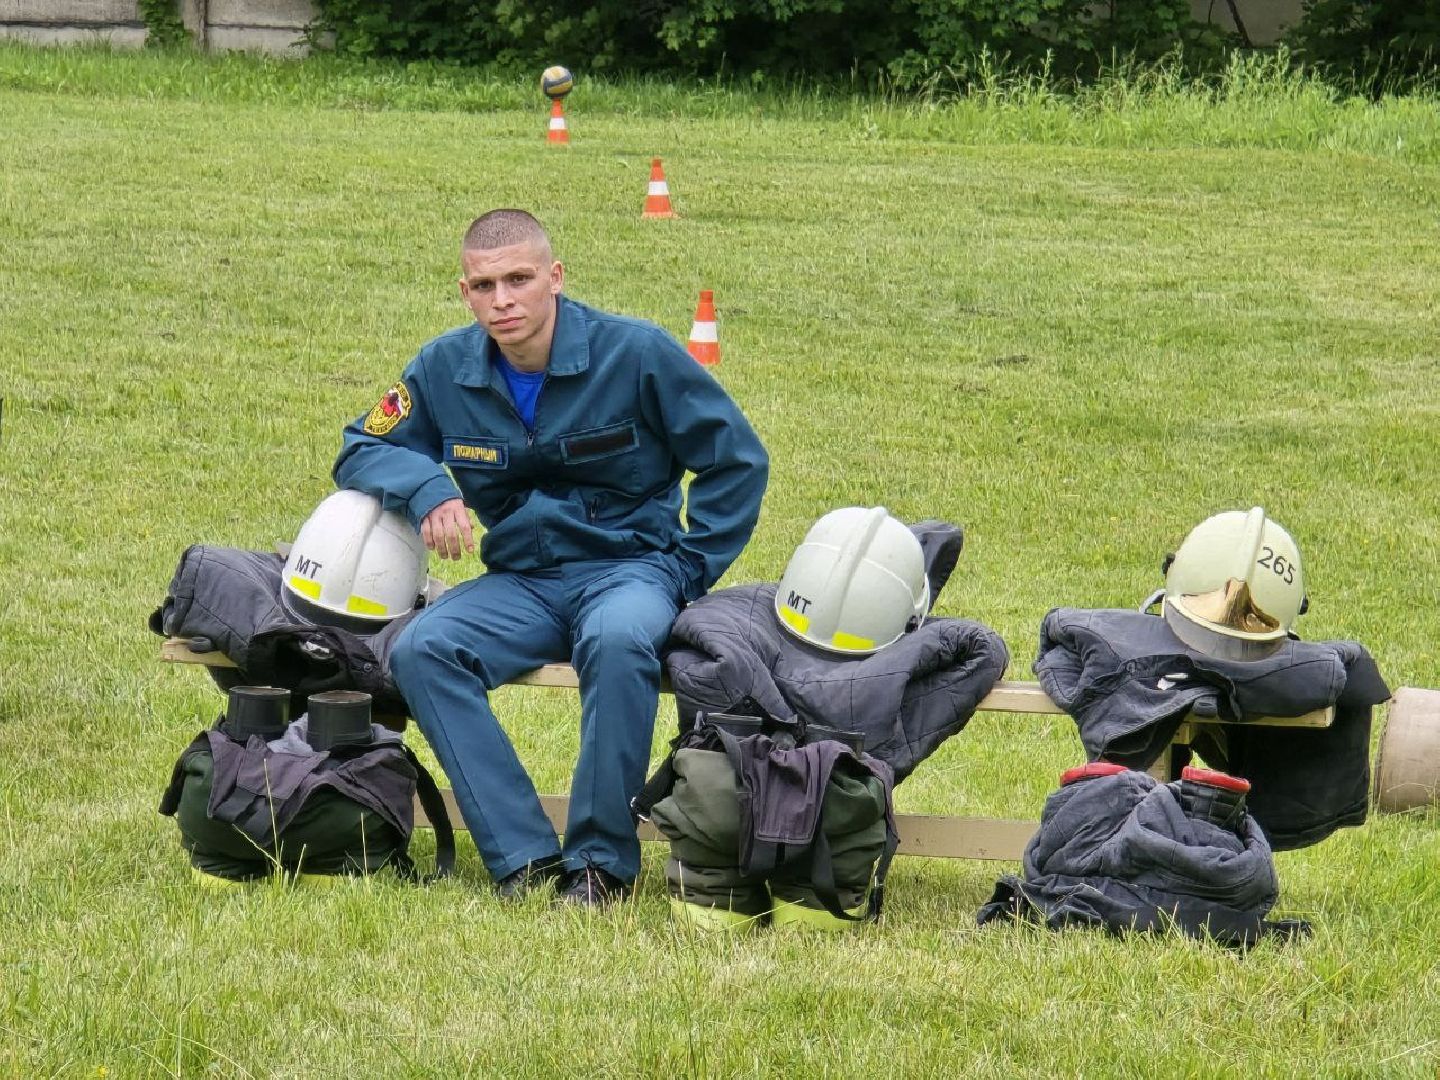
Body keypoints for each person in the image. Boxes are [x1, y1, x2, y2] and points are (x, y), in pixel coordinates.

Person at [333, 209, 768, 906]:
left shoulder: (635, 354)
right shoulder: (442, 369)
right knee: (424, 649)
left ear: (555, 278)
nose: (501, 300)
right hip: (522, 582)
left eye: (518, 279)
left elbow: (736, 460)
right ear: (464, 292)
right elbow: (362, 445)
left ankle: (599, 866)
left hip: (631, 570)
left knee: (620, 638)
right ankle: (522, 857)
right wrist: (427, 489)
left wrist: (689, 568)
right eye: (483, 286)